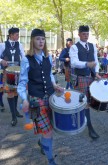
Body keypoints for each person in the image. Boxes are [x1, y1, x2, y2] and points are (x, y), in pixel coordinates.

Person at [17, 29, 63, 165]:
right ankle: (50, 160)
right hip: (37, 99)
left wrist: (54, 85)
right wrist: (24, 99)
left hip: (51, 97)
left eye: (43, 39)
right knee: (48, 132)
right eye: (38, 39)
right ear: (32, 41)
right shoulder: (26, 59)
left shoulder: (48, 57)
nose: (41, 41)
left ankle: (43, 142)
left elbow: (49, 75)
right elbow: (22, 83)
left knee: (50, 129)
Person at [69, 25, 101, 139]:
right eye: (83, 34)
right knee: (84, 103)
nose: (86, 36)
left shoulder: (92, 46)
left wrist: (96, 72)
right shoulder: (74, 47)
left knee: (89, 102)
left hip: (91, 77)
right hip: (81, 77)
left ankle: (81, 121)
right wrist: (86, 64)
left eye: (87, 34)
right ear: (79, 34)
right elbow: (73, 63)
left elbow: (96, 61)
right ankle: (90, 128)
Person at [0, 27, 25, 126]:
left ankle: (15, 111)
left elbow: (23, 57)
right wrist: (1, 61)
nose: (18, 36)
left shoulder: (20, 45)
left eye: (18, 35)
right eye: (16, 35)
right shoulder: (2, 45)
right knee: (10, 93)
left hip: (18, 72)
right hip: (7, 72)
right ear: (10, 35)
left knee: (15, 92)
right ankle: (14, 117)